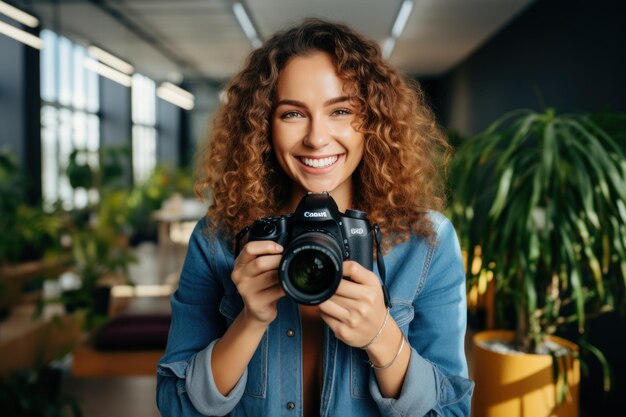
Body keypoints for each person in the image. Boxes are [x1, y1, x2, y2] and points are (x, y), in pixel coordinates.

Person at [157, 18, 473, 417]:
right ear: (263, 127)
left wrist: (381, 335)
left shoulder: (426, 243)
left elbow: (452, 412)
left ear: (371, 122)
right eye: (292, 114)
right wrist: (249, 318)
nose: (317, 138)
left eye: (340, 110)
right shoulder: (219, 238)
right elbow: (176, 406)